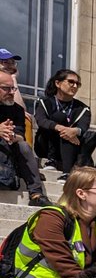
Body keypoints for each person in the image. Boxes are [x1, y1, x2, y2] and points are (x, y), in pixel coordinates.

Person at [0, 68, 50, 206]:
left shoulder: (16, 109)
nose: (11, 93)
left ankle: (36, 194)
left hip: (9, 147)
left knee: (23, 146)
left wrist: (11, 135)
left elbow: (21, 136)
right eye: (6, 89)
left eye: (13, 89)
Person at [34, 68, 96, 177]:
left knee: (71, 132)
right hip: (45, 145)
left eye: (77, 84)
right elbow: (41, 121)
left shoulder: (83, 108)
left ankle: (67, 172)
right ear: (58, 83)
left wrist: (73, 131)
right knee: (59, 118)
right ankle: (52, 160)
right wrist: (62, 128)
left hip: (71, 149)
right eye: (71, 82)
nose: (75, 86)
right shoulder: (45, 102)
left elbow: (83, 127)